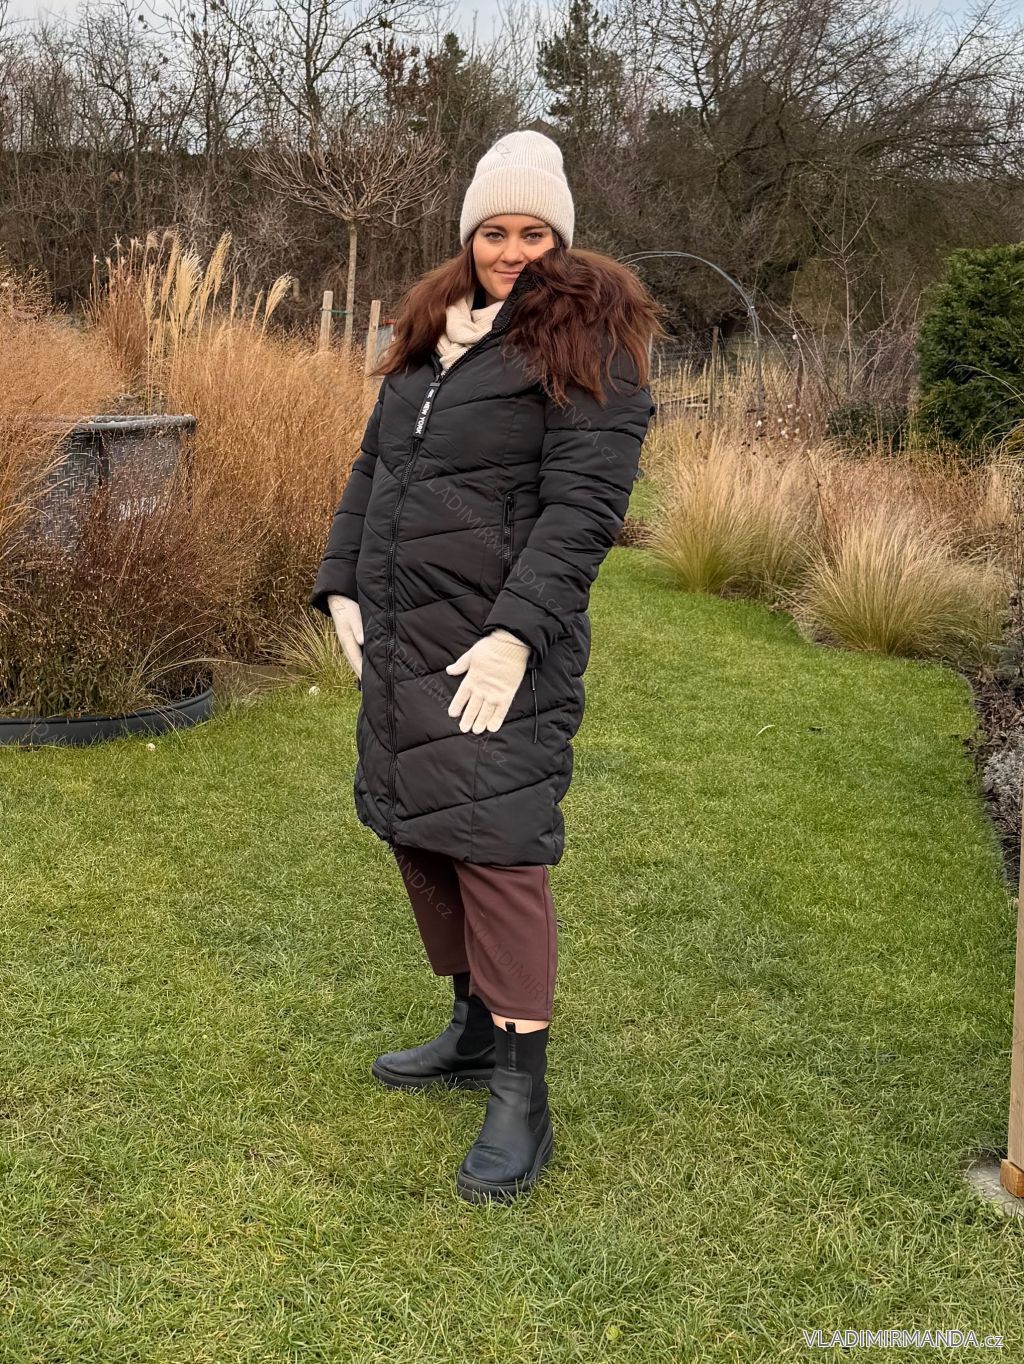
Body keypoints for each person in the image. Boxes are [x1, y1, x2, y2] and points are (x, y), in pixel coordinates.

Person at [309, 129, 664, 1204]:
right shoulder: (430, 338)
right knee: (416, 825)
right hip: (404, 637)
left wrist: (516, 635)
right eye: (495, 231)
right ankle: (471, 1026)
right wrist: (340, 582)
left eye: (534, 231)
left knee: (500, 847)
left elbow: (582, 510)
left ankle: (522, 1089)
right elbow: (373, 468)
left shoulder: (587, 341)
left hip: (498, 646)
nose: (512, 250)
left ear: (562, 238)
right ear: (468, 236)